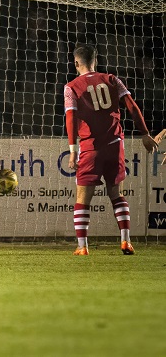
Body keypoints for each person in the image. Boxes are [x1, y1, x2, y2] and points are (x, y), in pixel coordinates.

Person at [64, 44, 158, 256]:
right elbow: (132, 106)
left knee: (82, 199)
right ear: (95, 61)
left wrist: (72, 150)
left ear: (76, 63)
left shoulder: (71, 87)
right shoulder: (112, 79)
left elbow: (70, 118)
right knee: (117, 194)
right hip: (115, 145)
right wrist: (144, 133)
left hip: (90, 148)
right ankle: (126, 241)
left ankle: (82, 246)